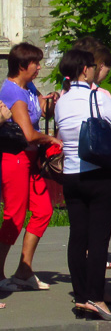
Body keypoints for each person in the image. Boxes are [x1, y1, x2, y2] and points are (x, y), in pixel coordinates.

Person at [56, 48, 111, 321]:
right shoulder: (98, 97)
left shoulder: (62, 100)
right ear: (85, 70)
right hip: (99, 173)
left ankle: (81, 295)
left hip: (72, 174)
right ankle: (97, 298)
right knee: (98, 240)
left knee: (77, 236)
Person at [0, 42, 61, 292]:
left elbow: (42, 113)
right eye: (35, 63)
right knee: (14, 216)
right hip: (14, 159)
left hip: (30, 160)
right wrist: (52, 139)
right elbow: (27, 133)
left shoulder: (29, 87)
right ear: (22, 66)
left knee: (43, 211)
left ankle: (24, 269)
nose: (39, 67)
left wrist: (52, 101)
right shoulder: (12, 92)